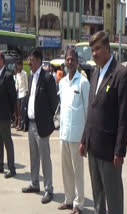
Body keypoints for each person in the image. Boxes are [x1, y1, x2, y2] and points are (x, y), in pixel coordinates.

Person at [80, 31, 127, 214]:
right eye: (92, 50)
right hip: (93, 147)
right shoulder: (95, 73)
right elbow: (91, 110)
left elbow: (124, 117)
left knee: (114, 197)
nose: (94, 53)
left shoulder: (121, 74)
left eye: (97, 49)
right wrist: (84, 139)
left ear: (107, 49)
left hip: (110, 152)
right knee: (98, 196)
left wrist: (120, 150)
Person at [21, 48, 58, 204]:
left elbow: (54, 103)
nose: (29, 62)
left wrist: (48, 122)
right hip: (31, 124)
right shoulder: (31, 77)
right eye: (29, 59)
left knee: (45, 158)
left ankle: (49, 189)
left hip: (42, 126)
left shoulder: (48, 78)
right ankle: (35, 183)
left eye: (32, 60)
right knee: (34, 157)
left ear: (39, 61)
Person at [58, 48, 90, 214]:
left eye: (72, 59)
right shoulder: (62, 83)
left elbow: (88, 111)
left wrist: (85, 139)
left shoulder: (83, 82)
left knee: (78, 172)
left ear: (77, 62)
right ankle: (68, 200)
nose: (69, 62)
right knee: (66, 170)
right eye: (67, 59)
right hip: (64, 134)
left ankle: (79, 204)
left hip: (78, 136)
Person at [0, 51, 17, 178]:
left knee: (7, 141)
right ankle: (0, 164)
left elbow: (13, 97)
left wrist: (12, 114)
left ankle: (11, 168)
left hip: (4, 115)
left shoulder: (7, 75)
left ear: (2, 61)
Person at [15, 58, 28, 131]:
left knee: (22, 110)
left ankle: (23, 125)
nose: (19, 67)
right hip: (18, 94)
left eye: (20, 65)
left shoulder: (24, 73)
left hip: (23, 94)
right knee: (18, 111)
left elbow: (26, 84)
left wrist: (26, 93)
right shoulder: (17, 74)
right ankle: (19, 124)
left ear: (22, 66)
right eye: (18, 65)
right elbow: (16, 85)